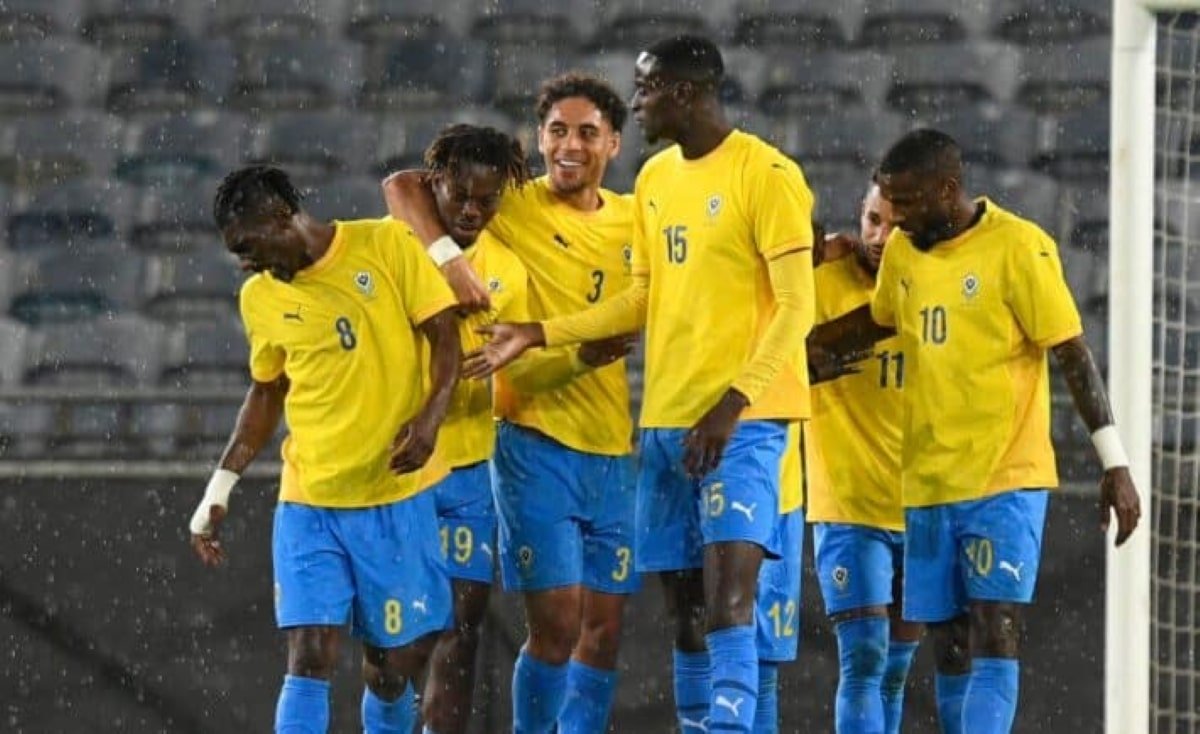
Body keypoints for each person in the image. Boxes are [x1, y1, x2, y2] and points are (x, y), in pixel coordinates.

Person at [470, 36, 816, 732]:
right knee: (687, 614)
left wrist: (736, 399)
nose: (638, 101)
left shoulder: (768, 174)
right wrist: (540, 332)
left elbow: (796, 305)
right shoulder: (656, 179)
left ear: (686, 94)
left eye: (647, 88)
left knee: (728, 603)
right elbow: (639, 299)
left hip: (742, 423)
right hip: (665, 424)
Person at [813, 129, 1141, 734]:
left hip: (1005, 478)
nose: (897, 221)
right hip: (931, 484)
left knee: (997, 631)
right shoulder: (908, 254)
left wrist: (1113, 461)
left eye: (908, 204)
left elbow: (1071, 353)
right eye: (887, 207)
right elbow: (879, 321)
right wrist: (807, 348)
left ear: (949, 190)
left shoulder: (1019, 247)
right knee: (952, 646)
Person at [383, 73, 640, 734]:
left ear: (613, 141)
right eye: (557, 130)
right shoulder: (512, 202)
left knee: (603, 633)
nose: (570, 145)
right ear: (539, 138)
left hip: (613, 442)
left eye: (587, 132)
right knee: (556, 624)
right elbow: (403, 184)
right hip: (531, 436)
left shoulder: (641, 219)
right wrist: (448, 258)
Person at [187, 166, 462, 734]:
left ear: (281, 216)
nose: (245, 262)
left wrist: (430, 420)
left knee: (391, 670)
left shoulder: (385, 245)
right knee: (309, 655)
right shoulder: (260, 298)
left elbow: (445, 336)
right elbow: (267, 392)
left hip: (393, 493)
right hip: (309, 499)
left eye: (248, 245)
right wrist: (220, 488)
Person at [402, 124, 531, 734]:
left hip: (471, 467)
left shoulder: (508, 268)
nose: (473, 211)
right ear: (437, 185)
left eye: (488, 200)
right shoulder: (398, 245)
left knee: (460, 627)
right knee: (401, 635)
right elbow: (395, 184)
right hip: (402, 469)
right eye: (460, 197)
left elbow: (523, 355)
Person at [807, 183, 922, 734]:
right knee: (864, 659)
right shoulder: (823, 282)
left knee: (896, 670)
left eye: (896, 226)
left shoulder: (936, 288)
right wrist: (810, 249)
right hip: (848, 503)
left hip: (920, 502)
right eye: (873, 220)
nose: (881, 237)